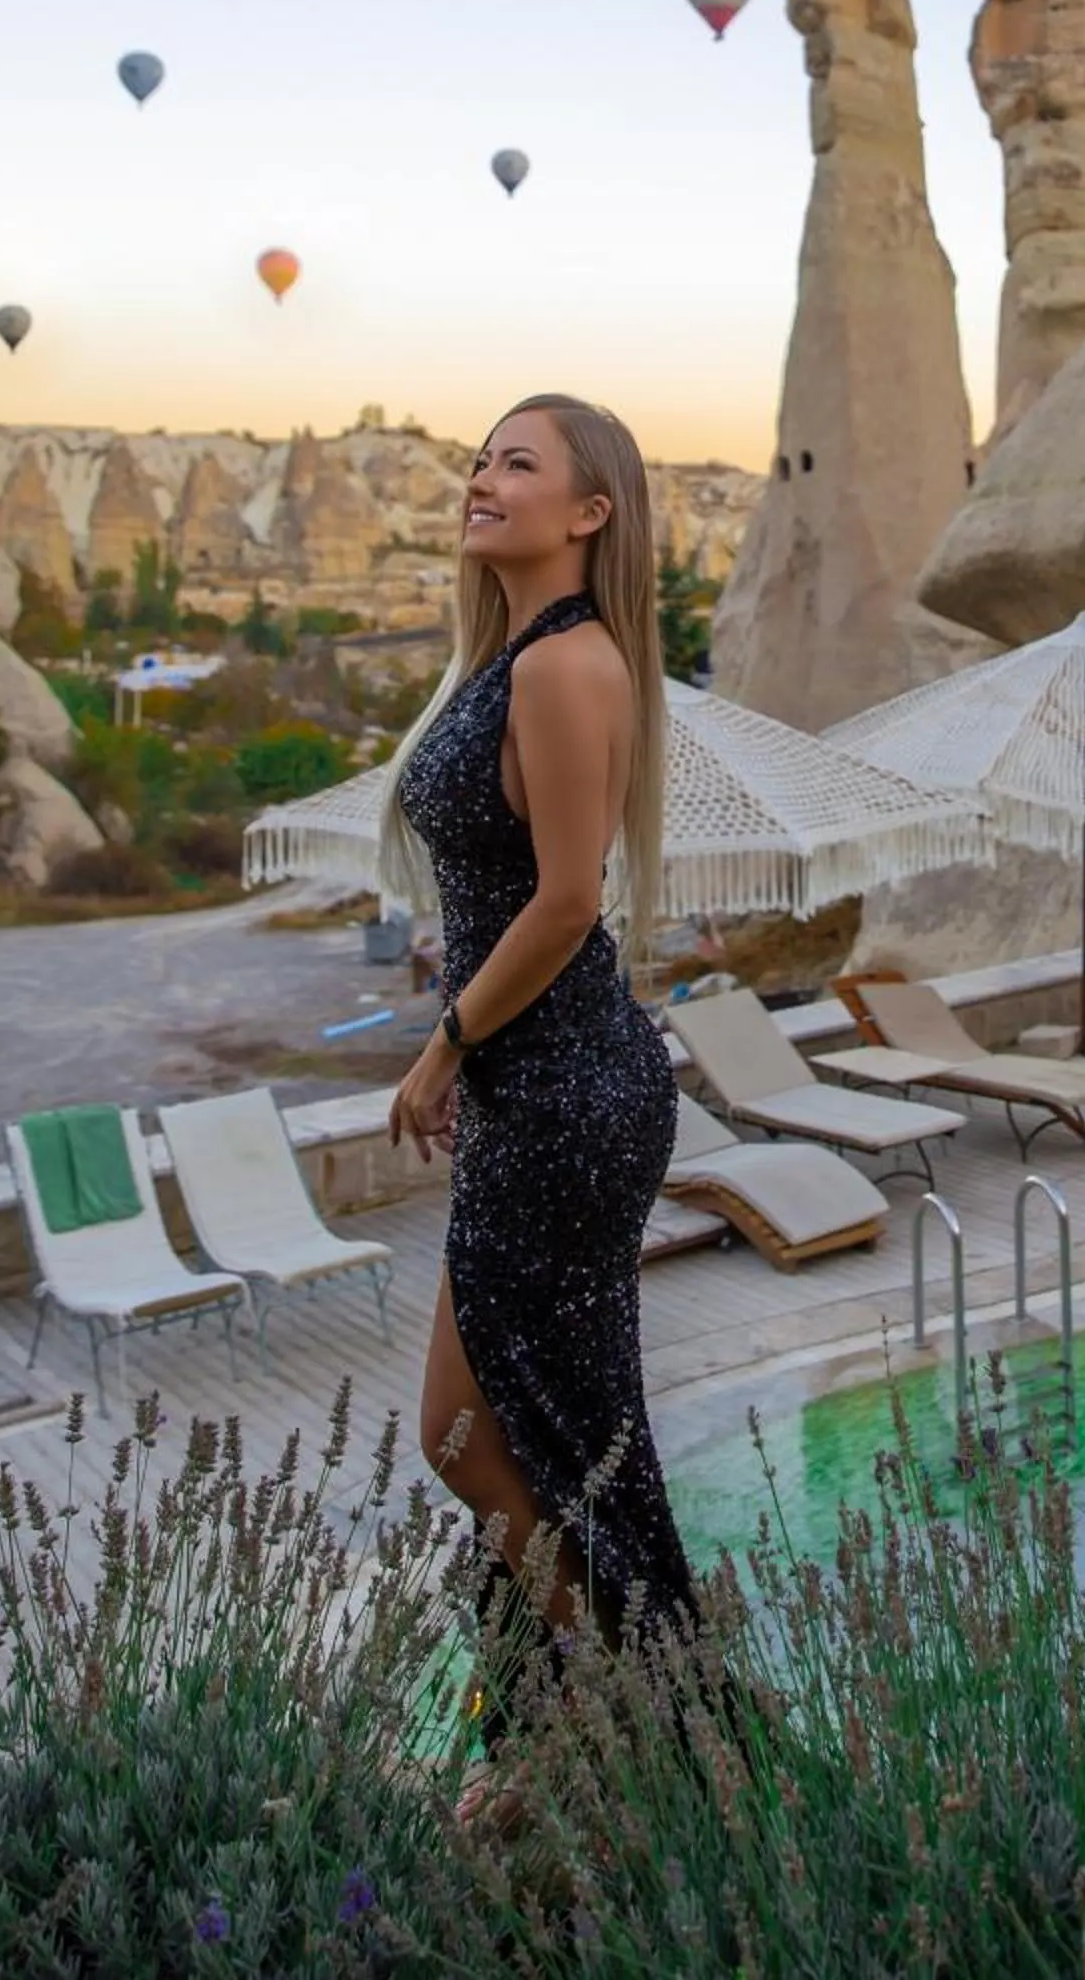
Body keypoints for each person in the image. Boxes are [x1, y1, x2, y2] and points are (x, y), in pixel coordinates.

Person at [379, 392, 695, 1823]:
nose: (481, 480)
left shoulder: (569, 667)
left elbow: (571, 900)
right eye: (479, 459)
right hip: (540, 1083)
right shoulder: (510, 661)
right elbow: (519, 886)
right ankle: (570, 1732)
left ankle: (622, 1719)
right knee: (509, 1435)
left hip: (566, 1092)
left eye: (518, 464)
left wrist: (445, 1043)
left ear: (590, 512)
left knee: (482, 1433)